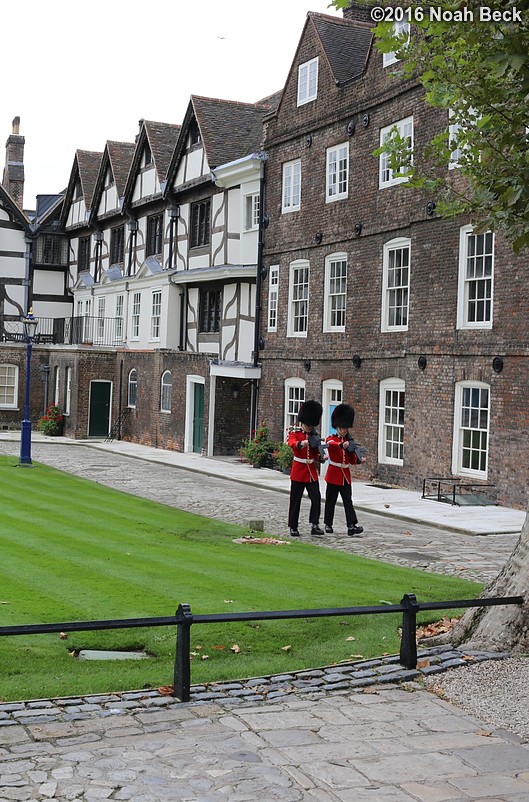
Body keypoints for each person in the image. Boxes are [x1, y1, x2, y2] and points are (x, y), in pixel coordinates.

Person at [324, 403, 365, 536]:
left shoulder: (350, 440)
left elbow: (351, 459)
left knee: (348, 501)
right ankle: (328, 524)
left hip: (345, 475)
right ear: (337, 427)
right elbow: (330, 444)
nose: (344, 431)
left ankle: (352, 525)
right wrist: (342, 444)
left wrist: (359, 459)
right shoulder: (332, 438)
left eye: (345, 428)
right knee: (331, 501)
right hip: (334, 473)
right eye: (342, 428)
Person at [287, 400, 325, 537]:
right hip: (298, 471)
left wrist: (321, 458)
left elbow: (315, 454)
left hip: (311, 472)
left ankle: (314, 524)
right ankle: (293, 526)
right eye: (308, 425)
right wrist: (300, 444)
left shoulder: (314, 436)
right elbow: (291, 443)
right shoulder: (295, 433)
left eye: (312, 425)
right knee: (295, 500)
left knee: (316, 498)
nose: (310, 427)